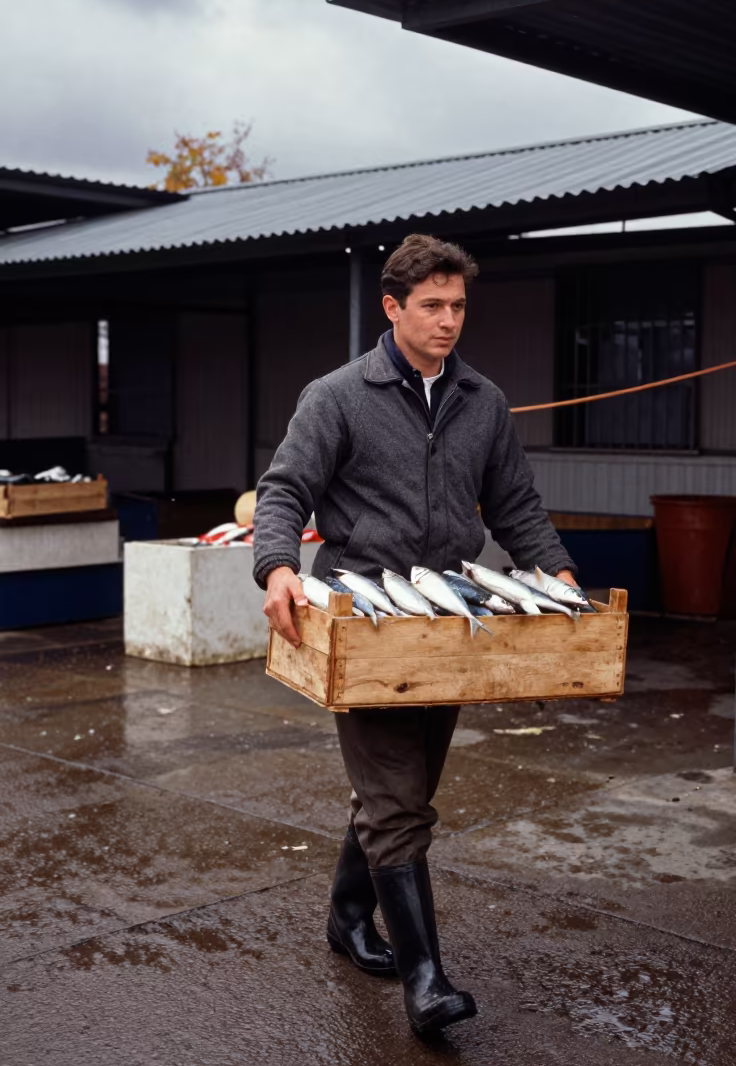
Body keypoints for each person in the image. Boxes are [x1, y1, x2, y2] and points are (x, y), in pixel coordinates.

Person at [253, 233, 578, 1035]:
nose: (447, 321)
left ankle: (344, 916)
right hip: (365, 626)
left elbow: (516, 506)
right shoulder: (336, 397)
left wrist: (558, 576)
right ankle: (426, 983)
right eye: (431, 306)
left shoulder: (484, 401)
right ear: (393, 308)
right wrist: (275, 567)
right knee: (399, 799)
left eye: (458, 305)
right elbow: (284, 490)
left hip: (451, 621)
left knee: (405, 787)